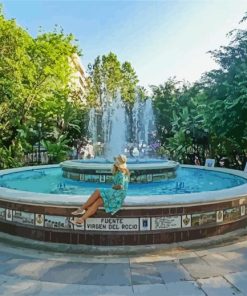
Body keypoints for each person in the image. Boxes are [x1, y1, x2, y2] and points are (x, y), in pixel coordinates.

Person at [71, 154, 130, 224]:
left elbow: (121, 186)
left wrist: (113, 188)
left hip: (118, 194)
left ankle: (81, 209)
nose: (115, 162)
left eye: (116, 160)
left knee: (98, 190)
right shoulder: (121, 171)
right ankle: (82, 219)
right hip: (118, 195)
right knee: (98, 201)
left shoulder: (121, 173)